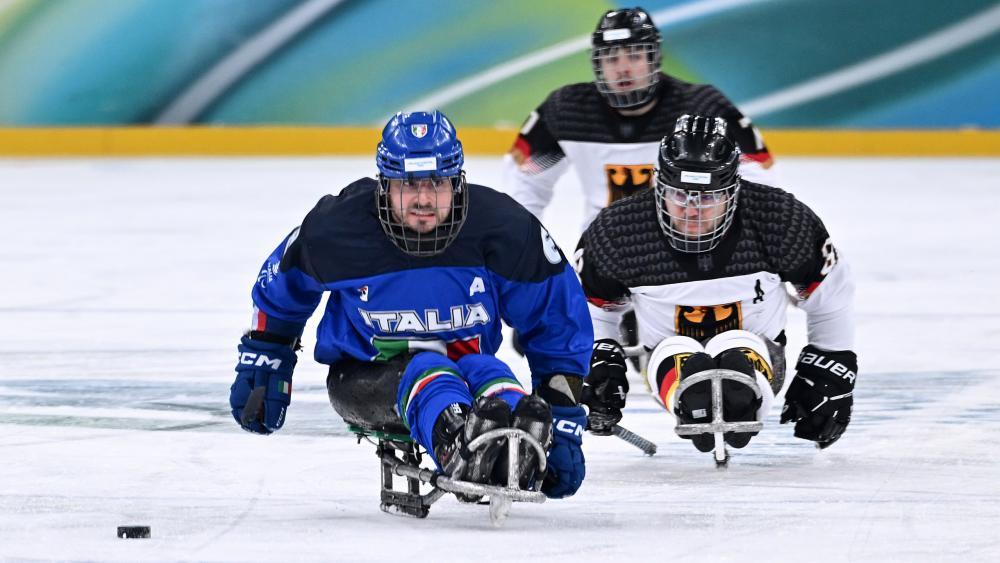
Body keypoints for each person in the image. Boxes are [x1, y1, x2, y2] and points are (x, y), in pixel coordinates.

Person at [229, 111, 594, 499]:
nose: (422, 198)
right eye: (408, 184)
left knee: (489, 368)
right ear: (385, 185)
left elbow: (558, 317)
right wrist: (266, 357)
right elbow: (282, 284)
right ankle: (457, 443)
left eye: (436, 183)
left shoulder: (504, 229)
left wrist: (562, 413)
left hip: (467, 369)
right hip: (363, 378)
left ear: (457, 182)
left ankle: (523, 436)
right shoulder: (339, 227)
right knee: (430, 368)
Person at [504, 6, 776, 355]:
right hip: (604, 255)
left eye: (634, 54)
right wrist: (527, 259)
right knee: (556, 346)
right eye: (611, 57)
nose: (623, 68)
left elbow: (757, 176)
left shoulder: (701, 106)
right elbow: (524, 183)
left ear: (655, 59)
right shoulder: (566, 110)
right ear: (597, 63)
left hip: (692, 252)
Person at [577, 114, 857, 453]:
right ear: (659, 186)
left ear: (734, 190)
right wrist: (599, 358)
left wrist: (829, 367)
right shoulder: (618, 230)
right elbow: (591, 307)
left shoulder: (780, 219)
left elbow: (828, 295)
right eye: (680, 196)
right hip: (663, 352)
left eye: (708, 197)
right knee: (682, 357)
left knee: (736, 352)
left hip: (761, 349)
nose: (692, 210)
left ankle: (725, 384)